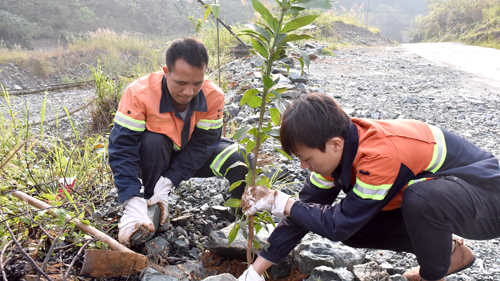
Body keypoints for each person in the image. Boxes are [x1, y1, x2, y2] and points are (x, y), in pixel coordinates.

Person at [238, 93, 500, 281]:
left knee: (419, 198)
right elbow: (299, 216)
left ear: (335, 144)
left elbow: (335, 222)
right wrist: (255, 271)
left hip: (488, 200)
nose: (304, 166)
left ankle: (434, 274)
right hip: (450, 201)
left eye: (307, 158)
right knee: (353, 227)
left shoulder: (379, 156)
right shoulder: (332, 157)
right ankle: (451, 252)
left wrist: (279, 201)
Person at [108, 37, 252, 246]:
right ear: (166, 72)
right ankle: (149, 206)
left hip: (191, 157)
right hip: (154, 158)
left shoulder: (214, 96)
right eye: (181, 83)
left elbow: (204, 145)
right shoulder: (139, 94)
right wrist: (129, 199)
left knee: (240, 158)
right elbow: (122, 150)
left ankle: (241, 220)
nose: (189, 92)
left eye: (197, 83)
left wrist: (169, 181)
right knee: (153, 140)